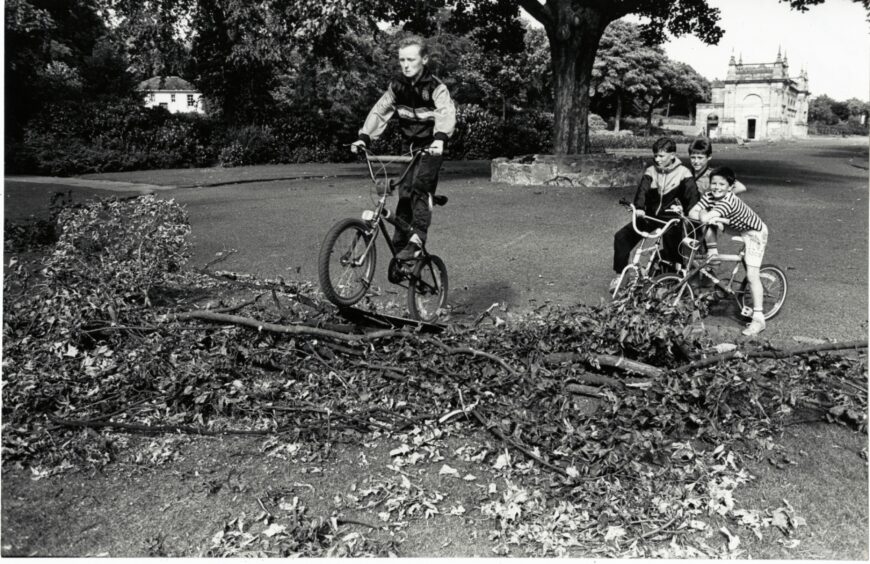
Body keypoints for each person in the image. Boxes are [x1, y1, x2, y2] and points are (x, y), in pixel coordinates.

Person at [351, 35, 456, 261]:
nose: (406, 65)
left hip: (430, 147)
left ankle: (418, 238)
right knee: (405, 192)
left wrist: (439, 139)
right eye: (401, 60)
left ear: (424, 59)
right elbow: (380, 111)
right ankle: (401, 240)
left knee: (420, 187)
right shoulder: (397, 86)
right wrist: (364, 138)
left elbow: (445, 112)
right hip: (407, 147)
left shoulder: (436, 87)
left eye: (411, 59)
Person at [688, 166, 769, 337]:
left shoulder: (728, 201)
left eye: (721, 184)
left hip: (754, 232)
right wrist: (707, 214)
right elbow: (691, 212)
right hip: (735, 227)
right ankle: (712, 252)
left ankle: (759, 319)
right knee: (710, 222)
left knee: (753, 275)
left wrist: (705, 212)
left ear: (730, 187)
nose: (716, 187)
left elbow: (702, 216)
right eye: (713, 183)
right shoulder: (710, 195)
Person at [611, 137, 699, 290]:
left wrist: (692, 214)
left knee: (672, 249)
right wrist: (639, 207)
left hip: (672, 219)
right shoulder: (651, 171)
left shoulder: (684, 173)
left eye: (661, 156)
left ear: (672, 155)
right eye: (655, 155)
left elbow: (692, 198)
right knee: (621, 237)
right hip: (650, 216)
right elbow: (642, 191)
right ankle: (621, 275)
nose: (657, 159)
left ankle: (668, 283)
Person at [687, 137, 746, 262]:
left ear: (708, 157)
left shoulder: (713, 175)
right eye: (693, 157)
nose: (696, 161)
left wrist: (718, 197)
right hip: (691, 217)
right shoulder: (687, 173)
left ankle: (710, 276)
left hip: (705, 220)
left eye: (700, 158)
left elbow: (741, 187)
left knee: (704, 255)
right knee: (686, 251)